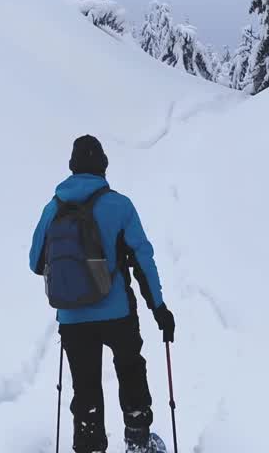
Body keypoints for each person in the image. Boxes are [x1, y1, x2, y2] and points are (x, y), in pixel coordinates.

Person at [30, 135, 176, 453]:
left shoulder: (52, 208)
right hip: (117, 312)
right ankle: (138, 441)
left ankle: (89, 444)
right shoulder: (119, 206)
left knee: (85, 385)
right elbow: (142, 260)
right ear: (103, 167)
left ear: (72, 167)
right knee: (130, 369)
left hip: (71, 316)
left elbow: (35, 262)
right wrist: (159, 308)